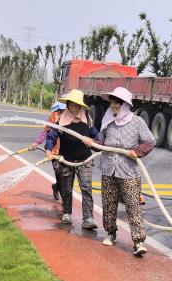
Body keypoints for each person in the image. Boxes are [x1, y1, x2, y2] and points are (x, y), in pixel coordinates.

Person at [86, 87, 155, 255]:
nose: (114, 105)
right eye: (112, 101)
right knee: (109, 204)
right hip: (109, 169)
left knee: (133, 206)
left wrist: (136, 152)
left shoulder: (137, 121)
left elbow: (150, 141)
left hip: (129, 171)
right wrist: (92, 142)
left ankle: (138, 242)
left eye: (117, 102)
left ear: (125, 104)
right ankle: (111, 233)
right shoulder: (108, 121)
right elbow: (101, 142)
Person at [45, 89, 99, 229]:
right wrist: (49, 150)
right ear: (67, 104)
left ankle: (88, 218)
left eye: (76, 105)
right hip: (66, 160)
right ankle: (67, 213)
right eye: (71, 104)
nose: (74, 107)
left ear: (81, 106)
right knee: (66, 189)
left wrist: (93, 141)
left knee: (86, 188)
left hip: (85, 161)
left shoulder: (87, 119)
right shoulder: (60, 120)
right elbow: (51, 137)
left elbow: (97, 137)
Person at [29, 101, 66, 200]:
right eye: (58, 111)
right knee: (59, 176)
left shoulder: (75, 116)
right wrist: (37, 142)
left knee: (65, 178)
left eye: (61, 110)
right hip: (55, 152)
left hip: (69, 153)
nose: (59, 112)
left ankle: (56, 187)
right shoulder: (54, 116)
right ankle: (66, 206)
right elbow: (46, 130)